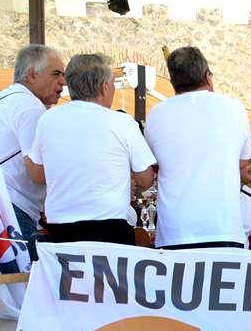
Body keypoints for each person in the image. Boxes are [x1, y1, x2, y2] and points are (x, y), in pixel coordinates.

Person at [26, 54, 155, 245]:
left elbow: (36, 175)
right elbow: (146, 179)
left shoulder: (48, 119)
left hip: (60, 229)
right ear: (104, 86)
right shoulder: (122, 122)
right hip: (110, 228)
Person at [145, 46, 251, 249]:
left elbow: (152, 166)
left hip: (175, 232)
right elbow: (244, 162)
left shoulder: (157, 113)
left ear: (173, 82)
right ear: (207, 76)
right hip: (224, 227)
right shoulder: (235, 108)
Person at [0, 44, 66, 239]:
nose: (63, 81)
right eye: (56, 74)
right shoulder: (29, 106)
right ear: (32, 74)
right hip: (12, 208)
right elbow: (38, 172)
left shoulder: (3, 99)